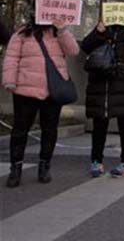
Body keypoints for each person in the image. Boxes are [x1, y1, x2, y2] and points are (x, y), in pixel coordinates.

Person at [3, 16, 79, 187]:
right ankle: (15, 168)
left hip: (52, 91)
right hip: (25, 90)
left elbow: (73, 51)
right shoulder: (22, 33)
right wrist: (10, 80)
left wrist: (62, 30)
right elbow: (11, 57)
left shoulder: (58, 32)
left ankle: (44, 166)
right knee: (19, 131)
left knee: (50, 130)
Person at [82, 20, 124, 178]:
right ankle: (96, 160)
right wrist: (98, 33)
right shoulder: (102, 27)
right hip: (101, 84)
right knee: (99, 123)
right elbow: (85, 46)